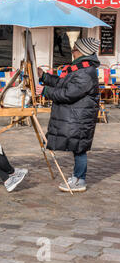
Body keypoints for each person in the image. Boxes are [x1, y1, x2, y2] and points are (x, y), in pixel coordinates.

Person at [36, 37, 101, 193]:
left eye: (75, 48)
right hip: (76, 115)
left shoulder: (86, 72)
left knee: (80, 148)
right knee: (77, 147)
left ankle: (80, 180)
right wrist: (44, 77)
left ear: (82, 52)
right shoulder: (79, 68)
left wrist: (45, 91)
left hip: (80, 117)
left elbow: (69, 93)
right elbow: (62, 83)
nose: (72, 51)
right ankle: (77, 176)